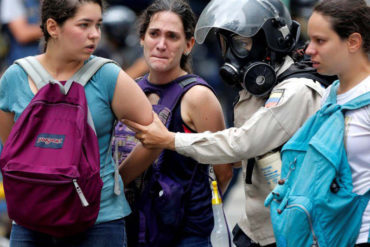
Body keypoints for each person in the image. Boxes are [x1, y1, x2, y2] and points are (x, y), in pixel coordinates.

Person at [122, 0, 328, 246]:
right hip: (258, 226)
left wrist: (169, 140)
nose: (233, 55)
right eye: (226, 44)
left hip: (290, 229)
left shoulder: (295, 90)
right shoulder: (257, 90)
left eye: (242, 44)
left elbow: (238, 148)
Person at [0, 0, 153, 246]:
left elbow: (154, 137)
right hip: (30, 221)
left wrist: (114, 179)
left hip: (98, 222)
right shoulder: (14, 78)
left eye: (98, 25)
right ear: (52, 27)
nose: (95, 35)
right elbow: (13, 147)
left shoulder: (108, 76)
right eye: (84, 25)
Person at [116, 0, 233, 246]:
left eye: (172, 36)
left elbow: (223, 172)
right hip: (136, 228)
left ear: (189, 44)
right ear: (141, 39)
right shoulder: (130, 89)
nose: (160, 44)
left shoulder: (198, 96)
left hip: (186, 233)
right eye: (154, 34)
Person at [305, 0, 370, 245]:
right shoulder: (330, 93)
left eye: (320, 41)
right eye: (310, 40)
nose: (310, 49)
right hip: (330, 235)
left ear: (353, 42)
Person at [0, 0, 43, 67]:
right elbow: (22, 34)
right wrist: (54, 28)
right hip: (22, 64)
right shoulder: (12, 1)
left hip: (45, 61)